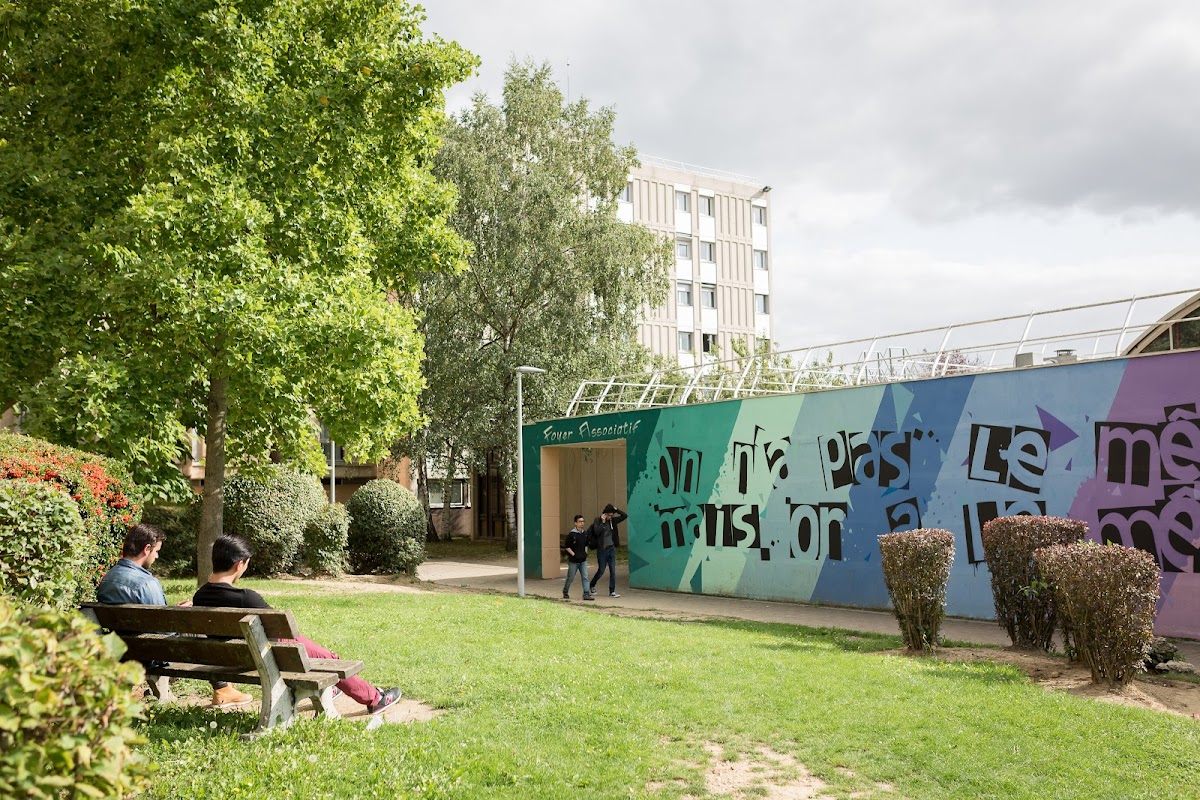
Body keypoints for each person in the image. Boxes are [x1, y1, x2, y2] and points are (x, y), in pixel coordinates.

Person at [192, 534, 402, 716]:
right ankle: (375, 699)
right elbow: (282, 629)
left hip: (232, 661)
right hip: (264, 659)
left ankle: (337, 687)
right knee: (329, 659)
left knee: (321, 656)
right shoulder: (247, 599)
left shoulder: (199, 596)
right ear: (239, 564)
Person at [96, 523, 252, 709]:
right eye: (156, 551)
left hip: (125, 649)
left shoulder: (108, 578)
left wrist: (172, 611)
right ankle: (223, 689)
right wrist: (182, 616)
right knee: (202, 629)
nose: (157, 556)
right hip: (154, 652)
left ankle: (223, 690)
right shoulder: (147, 583)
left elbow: (151, 617)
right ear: (146, 549)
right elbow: (163, 629)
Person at [588, 503, 627, 598]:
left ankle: (612, 591)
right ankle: (592, 584)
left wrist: (616, 509)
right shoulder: (597, 520)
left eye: (611, 515)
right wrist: (603, 521)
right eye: (609, 515)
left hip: (611, 549)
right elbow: (597, 532)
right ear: (604, 514)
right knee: (601, 570)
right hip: (602, 550)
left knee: (613, 571)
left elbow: (625, 516)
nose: (610, 516)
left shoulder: (613, 521)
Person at [562, 515, 594, 601]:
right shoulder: (571, 534)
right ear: (575, 523)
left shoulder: (585, 534)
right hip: (573, 561)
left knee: (585, 577)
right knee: (570, 577)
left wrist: (585, 553)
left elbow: (586, 544)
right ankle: (565, 591)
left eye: (583, 521)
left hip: (583, 560)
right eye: (580, 522)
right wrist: (573, 554)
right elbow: (567, 546)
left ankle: (586, 594)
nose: (582, 523)